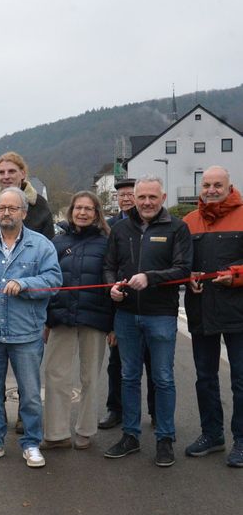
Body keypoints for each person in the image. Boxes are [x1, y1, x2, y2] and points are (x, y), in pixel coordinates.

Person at [0, 187, 62, 468]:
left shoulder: (41, 245)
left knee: (29, 394)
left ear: (24, 213)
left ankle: (31, 443)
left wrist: (26, 284)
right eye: (1, 208)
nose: (5, 213)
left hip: (26, 333)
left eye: (12, 208)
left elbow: (54, 280)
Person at [103, 175, 192, 467]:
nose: (146, 202)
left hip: (161, 315)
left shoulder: (177, 228)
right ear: (134, 199)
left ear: (162, 198)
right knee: (129, 377)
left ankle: (164, 439)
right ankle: (130, 436)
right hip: (126, 314)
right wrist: (113, 287)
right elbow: (109, 266)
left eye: (152, 197)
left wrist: (150, 278)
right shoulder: (120, 229)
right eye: (142, 197)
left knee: (163, 378)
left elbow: (183, 269)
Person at [0, 151, 54, 432]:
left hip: (26, 302)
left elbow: (48, 253)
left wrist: (27, 283)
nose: (5, 177)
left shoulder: (39, 206)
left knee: (26, 370)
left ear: (22, 173)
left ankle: (23, 419)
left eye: (11, 172)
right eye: (1, 173)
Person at [182, 166, 243, 467]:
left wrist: (236, 276)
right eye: (206, 184)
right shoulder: (189, 221)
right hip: (201, 310)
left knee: (241, 380)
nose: (211, 189)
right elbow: (179, 263)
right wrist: (187, 276)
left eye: (218, 184)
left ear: (229, 186)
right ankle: (212, 434)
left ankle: (242, 441)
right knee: (205, 378)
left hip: (238, 311)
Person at [43, 192, 112, 451]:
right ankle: (56, 432)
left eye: (88, 208)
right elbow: (48, 280)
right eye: (78, 208)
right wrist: (46, 321)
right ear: (71, 211)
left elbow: (111, 280)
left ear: (96, 213)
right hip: (61, 317)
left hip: (95, 318)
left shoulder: (107, 242)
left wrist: (113, 325)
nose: (82, 212)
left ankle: (85, 430)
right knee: (55, 375)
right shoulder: (57, 242)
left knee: (89, 377)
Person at [99, 178, 156, 431]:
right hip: (121, 307)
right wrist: (110, 324)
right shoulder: (108, 227)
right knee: (117, 366)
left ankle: (155, 412)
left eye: (130, 194)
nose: (125, 198)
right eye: (121, 195)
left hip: (152, 305)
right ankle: (116, 410)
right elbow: (107, 268)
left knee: (154, 365)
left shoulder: (151, 223)